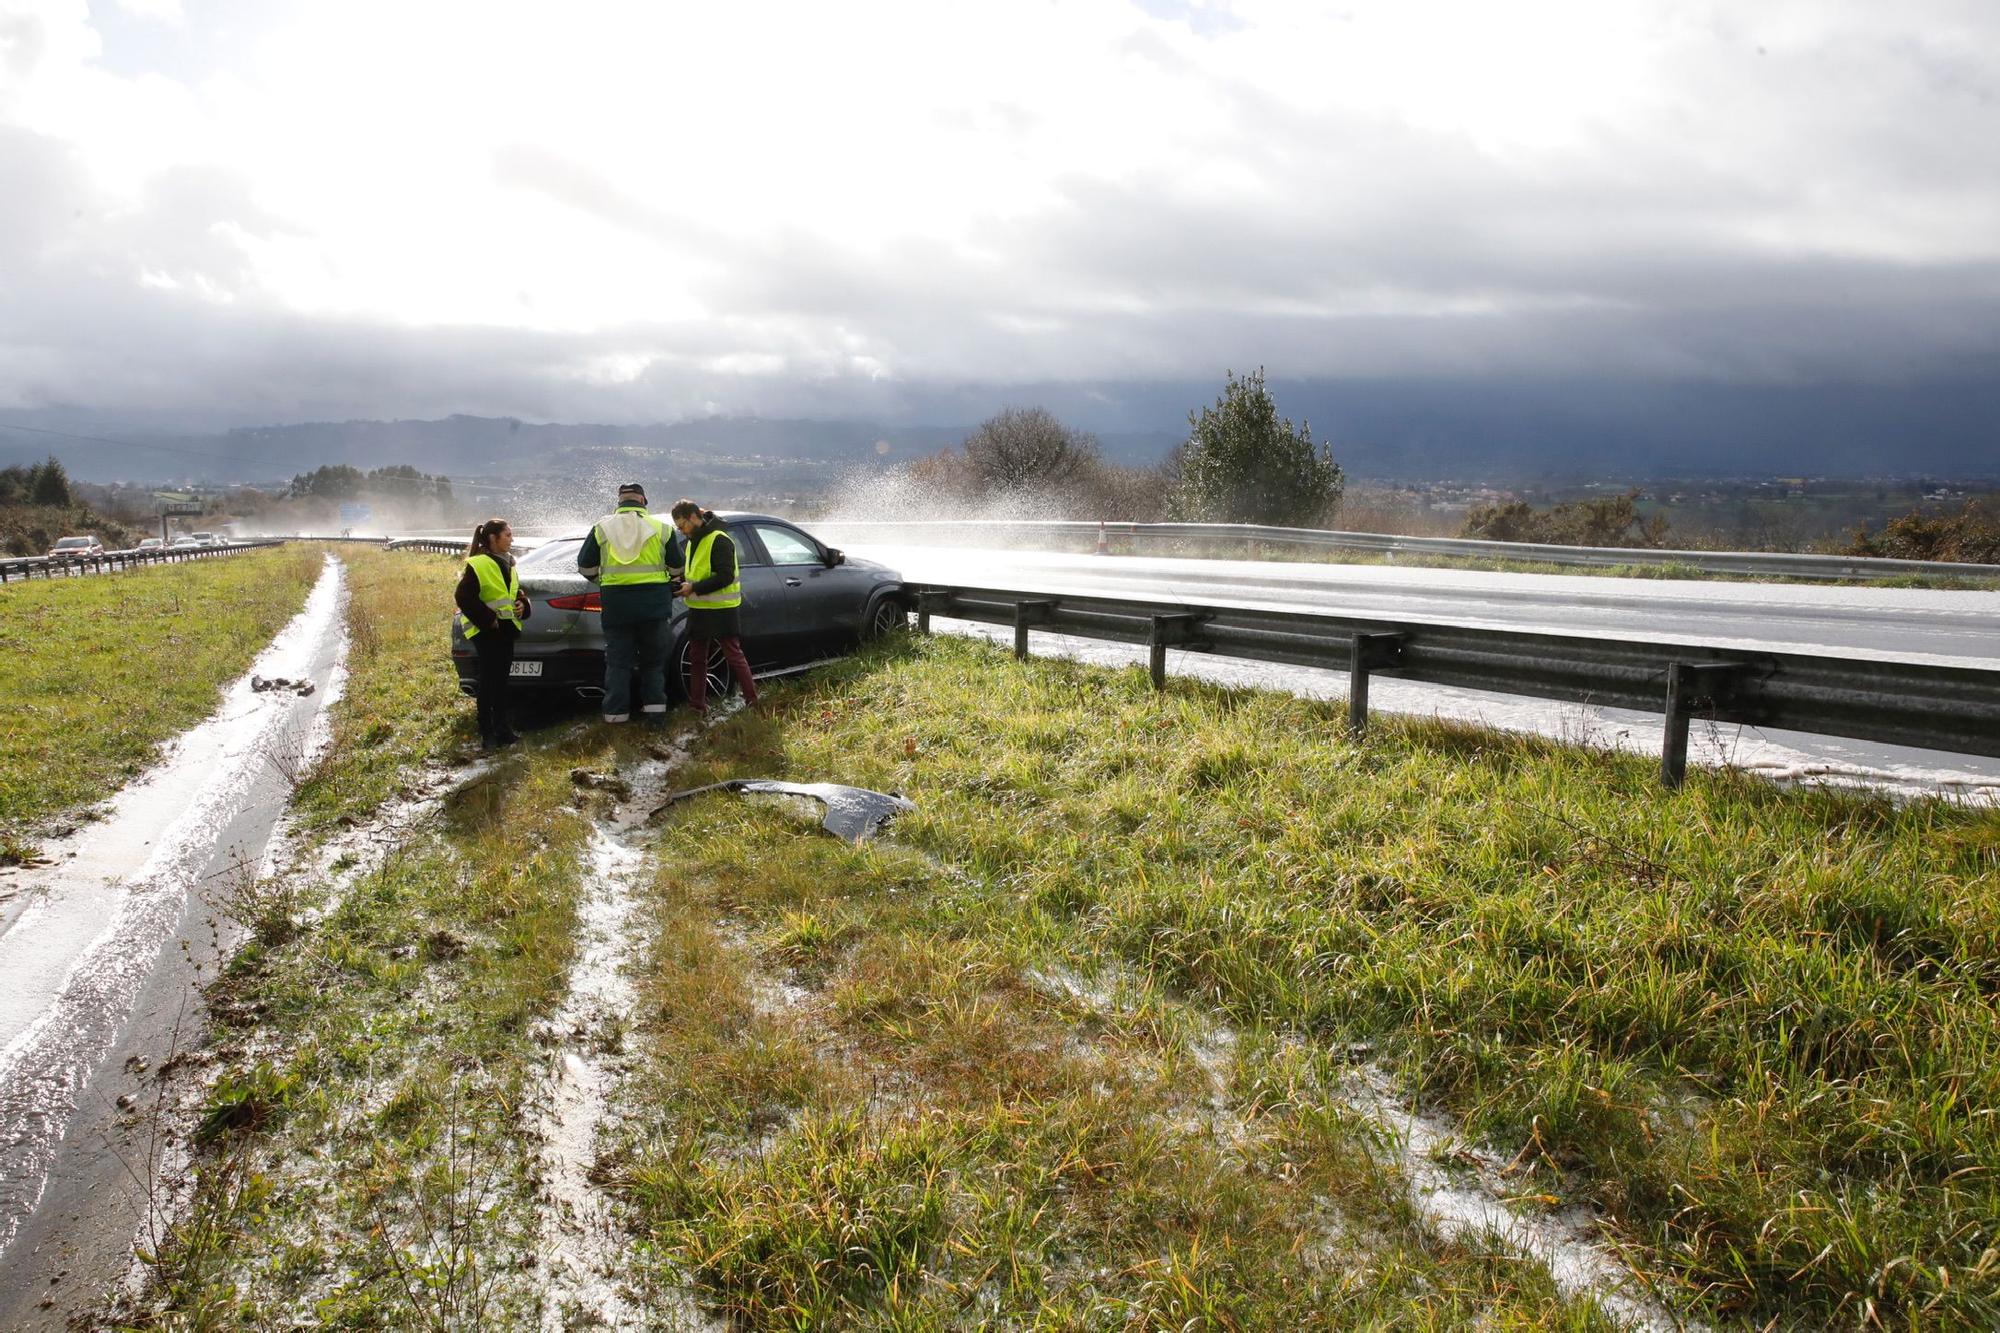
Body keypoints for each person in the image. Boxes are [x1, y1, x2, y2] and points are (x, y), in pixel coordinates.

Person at [577, 482, 681, 725]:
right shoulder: (662, 529)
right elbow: (677, 567)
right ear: (644, 501)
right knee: (653, 663)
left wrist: (603, 581)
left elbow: (585, 566)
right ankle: (655, 716)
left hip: (616, 606)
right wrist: (667, 580)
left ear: (619, 502)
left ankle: (615, 717)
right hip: (654, 606)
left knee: (617, 663)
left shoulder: (601, 528)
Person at [670, 499, 759, 713]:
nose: (681, 531)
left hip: (722, 609)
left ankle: (753, 702)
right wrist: (683, 582)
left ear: (693, 517)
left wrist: (693, 587)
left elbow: (726, 576)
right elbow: (695, 572)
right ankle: (697, 706)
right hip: (699, 609)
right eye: (678, 527)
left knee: (733, 656)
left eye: (682, 525)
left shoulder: (720, 540)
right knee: (697, 658)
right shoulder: (693, 540)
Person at [455, 517, 530, 749]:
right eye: (507, 535)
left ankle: (502, 729)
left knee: (501, 682)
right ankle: (487, 732)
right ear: (492, 538)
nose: (512, 539)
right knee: (489, 682)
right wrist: (489, 620)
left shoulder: (508, 562)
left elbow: (514, 592)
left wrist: (523, 605)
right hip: (486, 632)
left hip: (506, 630)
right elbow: (463, 597)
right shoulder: (479, 563)